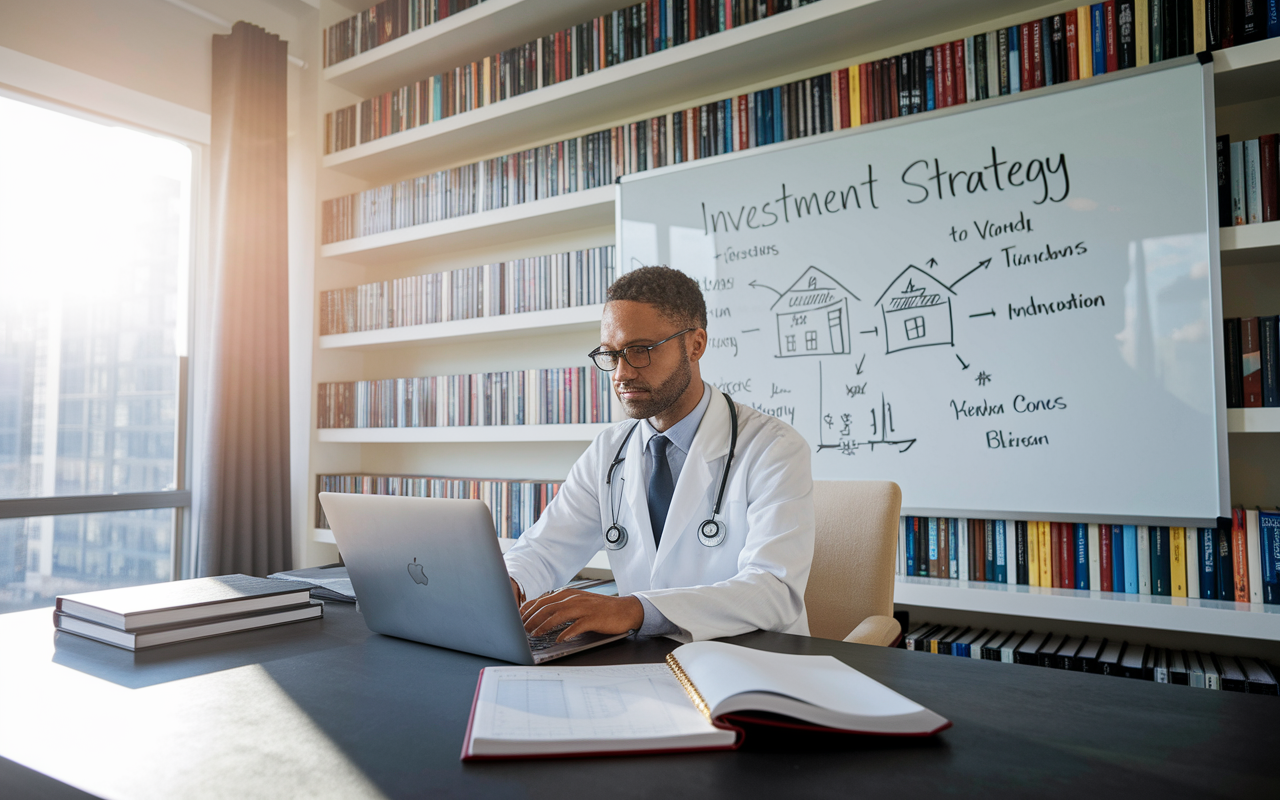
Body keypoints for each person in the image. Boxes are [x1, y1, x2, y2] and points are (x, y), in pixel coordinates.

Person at [504, 266, 815, 643]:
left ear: (695, 345)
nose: (620, 373)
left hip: (753, 664)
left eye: (639, 351)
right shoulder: (609, 451)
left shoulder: (773, 448)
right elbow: (545, 549)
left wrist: (633, 609)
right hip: (649, 664)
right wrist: (510, 584)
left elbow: (773, 591)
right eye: (611, 354)